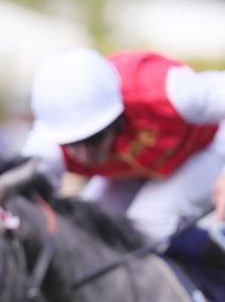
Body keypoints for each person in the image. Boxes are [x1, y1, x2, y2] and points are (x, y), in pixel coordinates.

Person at [22, 46, 225, 267]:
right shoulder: (47, 145)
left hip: (206, 147)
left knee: (149, 225)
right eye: (72, 143)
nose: (83, 154)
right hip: (138, 167)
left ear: (117, 118)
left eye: (93, 138)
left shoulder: (169, 92)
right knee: (90, 232)